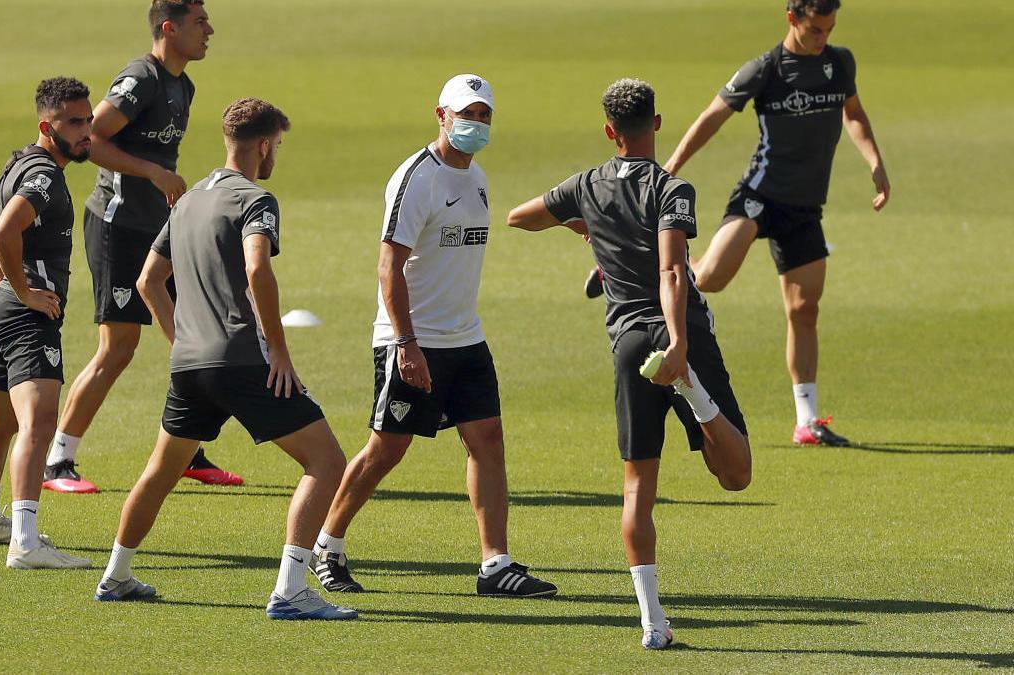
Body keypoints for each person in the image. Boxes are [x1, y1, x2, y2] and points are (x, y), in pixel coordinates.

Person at [507, 78, 752, 649]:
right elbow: (672, 272)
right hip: (677, 334)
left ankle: (652, 625)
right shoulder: (672, 189)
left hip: (626, 345)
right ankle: (694, 393)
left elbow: (521, 217)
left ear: (609, 131)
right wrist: (679, 348)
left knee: (638, 486)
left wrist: (586, 227)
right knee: (736, 474)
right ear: (657, 125)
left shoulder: (587, 185)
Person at [92, 98, 357, 620]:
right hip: (242, 360)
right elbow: (258, 270)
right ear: (263, 145)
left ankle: (116, 575)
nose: (276, 154)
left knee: (159, 472)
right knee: (326, 463)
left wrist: (182, 341)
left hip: (190, 365)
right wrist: (278, 350)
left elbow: (149, 282)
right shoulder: (256, 200)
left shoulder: (187, 200)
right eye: (277, 146)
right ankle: (290, 591)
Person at [308, 74, 557, 600]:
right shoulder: (416, 178)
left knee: (488, 440)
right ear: (440, 115)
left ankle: (496, 565)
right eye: (466, 114)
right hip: (413, 340)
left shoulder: (479, 178)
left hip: (466, 338)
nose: (476, 123)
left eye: (485, 115)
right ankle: (326, 545)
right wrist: (405, 342)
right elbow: (388, 264)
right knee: (387, 448)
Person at [661, 0, 889, 446]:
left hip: (805, 209)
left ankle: (806, 421)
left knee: (804, 311)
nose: (823, 38)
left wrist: (876, 164)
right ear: (792, 19)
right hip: (760, 196)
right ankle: (630, 265)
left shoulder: (839, 63)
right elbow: (712, 118)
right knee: (708, 278)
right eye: (815, 30)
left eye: (829, 29)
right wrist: (669, 169)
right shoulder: (765, 70)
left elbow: (855, 114)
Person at [46, 0, 243, 493]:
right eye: (200, 23)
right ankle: (58, 460)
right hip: (117, 225)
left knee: (189, 335)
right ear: (170, 28)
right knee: (119, 346)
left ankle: (188, 448)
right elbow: (91, 140)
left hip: (158, 228)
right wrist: (154, 172)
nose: (210, 31)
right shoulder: (142, 78)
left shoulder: (182, 84)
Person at [0, 77, 95, 569]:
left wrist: (0, 283)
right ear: (47, 125)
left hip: (4, 311)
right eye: (75, 123)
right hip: (27, 315)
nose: (87, 132)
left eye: (88, 120)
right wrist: (21, 291)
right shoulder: (43, 177)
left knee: (2, 422)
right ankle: (25, 540)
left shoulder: (20, 162)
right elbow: (1, 227)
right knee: (38, 425)